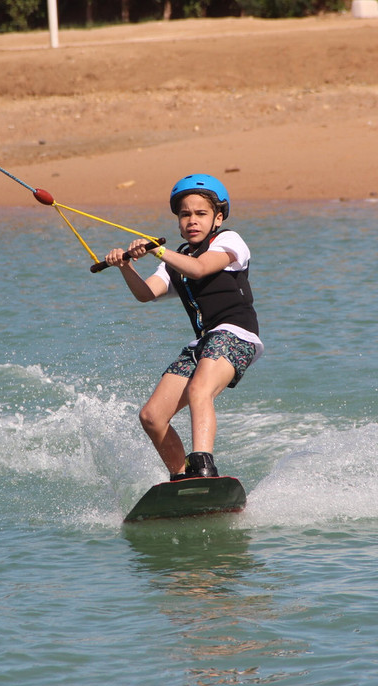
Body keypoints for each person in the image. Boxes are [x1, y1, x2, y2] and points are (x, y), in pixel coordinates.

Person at [104, 174, 262, 481]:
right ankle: (182, 479)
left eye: (201, 214)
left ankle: (204, 467)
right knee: (151, 417)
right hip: (203, 343)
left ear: (217, 218)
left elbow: (201, 268)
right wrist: (125, 266)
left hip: (236, 335)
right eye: (185, 214)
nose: (192, 220)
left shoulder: (229, 241)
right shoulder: (175, 261)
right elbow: (146, 293)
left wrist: (157, 250)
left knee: (198, 389)